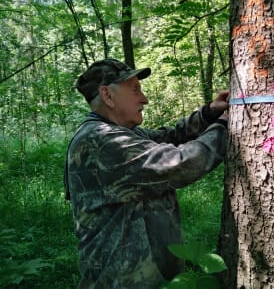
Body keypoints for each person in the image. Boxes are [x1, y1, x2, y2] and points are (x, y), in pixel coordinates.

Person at [64, 58, 229, 288]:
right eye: (135, 90)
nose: (145, 99)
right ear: (107, 95)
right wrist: (224, 126)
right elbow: (181, 164)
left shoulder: (120, 133)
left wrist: (208, 114)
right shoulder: (102, 141)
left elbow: (171, 137)